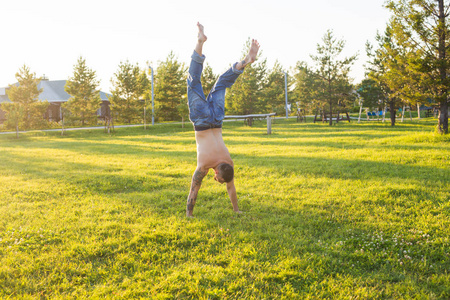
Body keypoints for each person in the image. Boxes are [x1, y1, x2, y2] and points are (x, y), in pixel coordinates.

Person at [186, 22, 260, 217]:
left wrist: (237, 209)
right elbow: (194, 190)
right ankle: (200, 41)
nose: (216, 180)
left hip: (217, 119)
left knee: (222, 82)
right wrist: (189, 214)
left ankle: (246, 61)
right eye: (218, 180)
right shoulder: (203, 167)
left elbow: (231, 187)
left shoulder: (229, 162)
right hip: (202, 120)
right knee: (193, 79)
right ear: (217, 173)